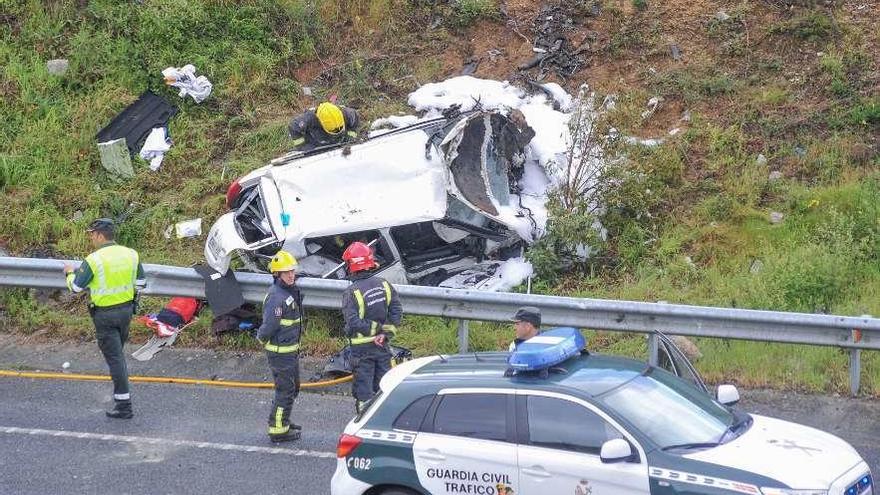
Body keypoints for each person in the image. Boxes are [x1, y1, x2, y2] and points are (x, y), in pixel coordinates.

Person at [64, 218, 145, 419]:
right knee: (118, 356)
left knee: (115, 359)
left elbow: (75, 288)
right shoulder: (131, 254)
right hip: (126, 312)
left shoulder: (94, 259)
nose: (91, 238)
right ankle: (123, 400)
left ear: (100, 235)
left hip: (105, 315)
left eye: (92, 234)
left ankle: (124, 406)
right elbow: (141, 283)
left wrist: (69, 273)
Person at [341, 241, 402, 413]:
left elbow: (352, 322)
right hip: (382, 345)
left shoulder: (351, 292)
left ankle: (363, 424)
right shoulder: (384, 284)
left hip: (362, 351)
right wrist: (385, 334)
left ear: (351, 265)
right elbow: (396, 311)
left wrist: (375, 329)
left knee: (364, 391)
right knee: (383, 386)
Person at [255, 250, 304, 443]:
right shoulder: (277, 297)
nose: (291, 275)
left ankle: (283, 419)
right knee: (285, 389)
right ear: (277, 275)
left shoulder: (289, 292)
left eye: (292, 271)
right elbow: (269, 326)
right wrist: (261, 339)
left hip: (290, 351)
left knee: (293, 388)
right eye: (286, 272)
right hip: (280, 354)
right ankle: (278, 429)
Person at [288, 101, 359, 151]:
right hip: (317, 144)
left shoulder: (349, 114)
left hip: (341, 144)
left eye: (339, 130)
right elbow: (293, 127)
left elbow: (355, 118)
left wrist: (351, 136)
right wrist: (303, 146)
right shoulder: (310, 118)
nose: (337, 132)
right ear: (320, 122)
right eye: (333, 131)